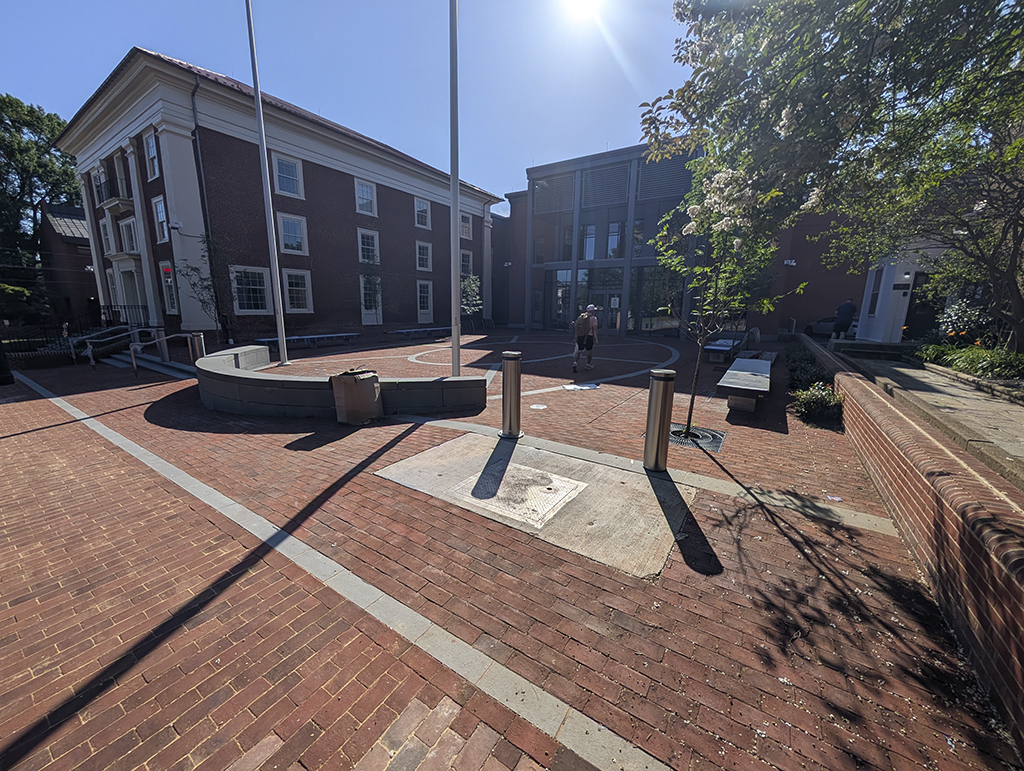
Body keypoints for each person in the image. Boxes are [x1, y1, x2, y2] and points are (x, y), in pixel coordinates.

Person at [572, 304, 599, 372]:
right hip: (589, 336)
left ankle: (575, 363)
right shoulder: (593, 318)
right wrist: (596, 339)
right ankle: (588, 364)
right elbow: (594, 329)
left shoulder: (581, 316)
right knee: (589, 351)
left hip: (581, 336)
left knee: (579, 351)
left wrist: (576, 336)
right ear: (592, 311)